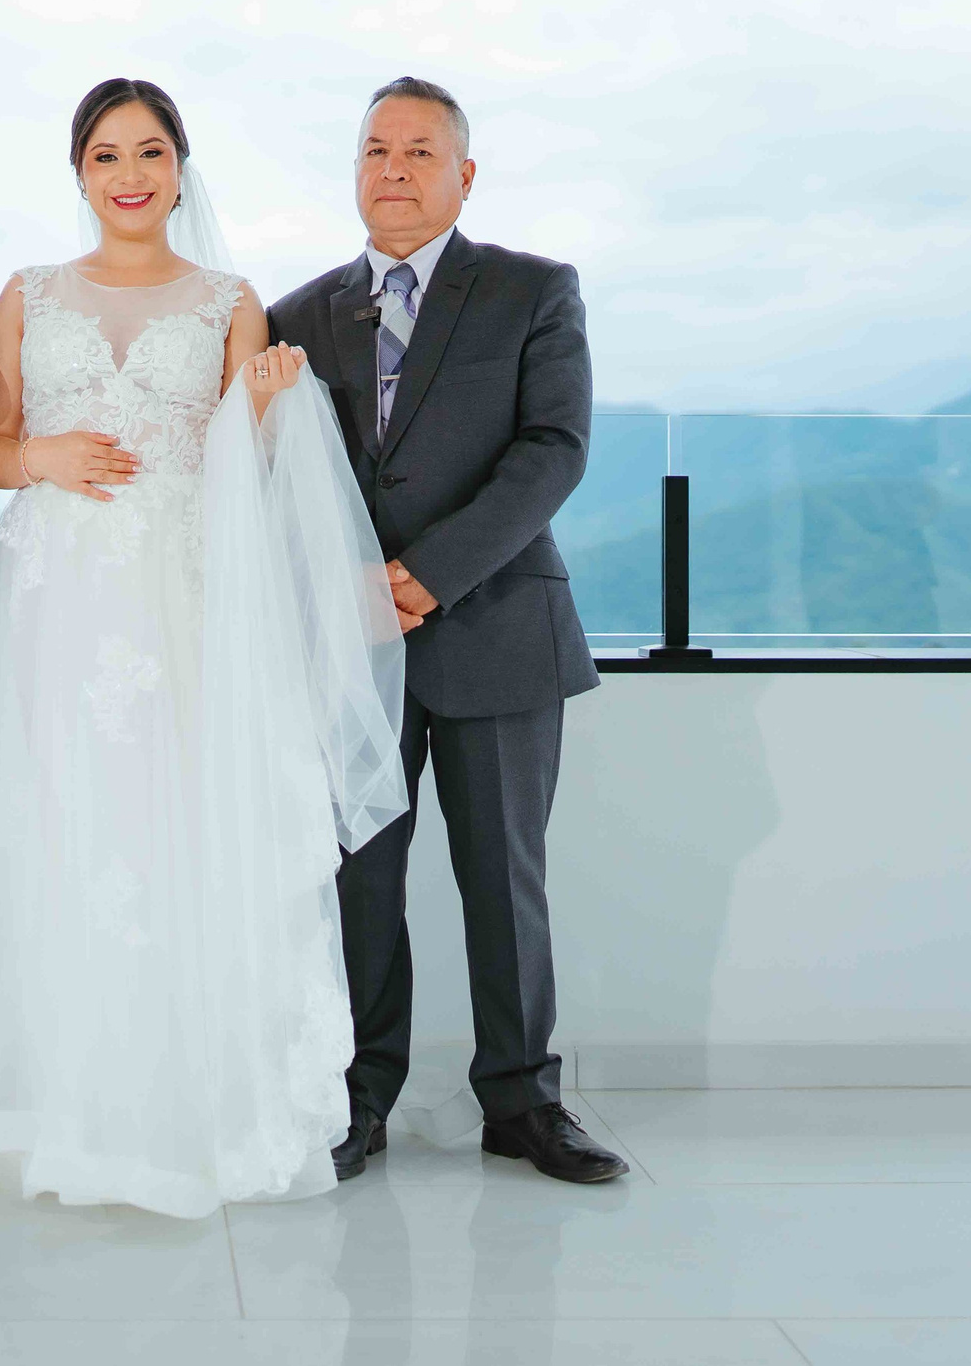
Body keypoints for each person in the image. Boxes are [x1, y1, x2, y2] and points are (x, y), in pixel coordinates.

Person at [0, 79, 409, 1217]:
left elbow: (248, 471)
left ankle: (179, 1101)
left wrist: (272, 400)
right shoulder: (28, 294)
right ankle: (45, 1102)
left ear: (181, 169)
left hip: (182, 590)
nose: (130, 174)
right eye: (106, 156)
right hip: (56, 594)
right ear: (79, 174)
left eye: (150, 152)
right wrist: (43, 459)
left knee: (173, 821)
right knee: (52, 818)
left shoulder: (230, 301)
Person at [268, 77, 629, 1185]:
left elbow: (554, 449)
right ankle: (355, 1097)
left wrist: (423, 577)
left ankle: (523, 1103)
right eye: (375, 149)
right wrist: (343, 590)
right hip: (348, 646)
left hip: (497, 626)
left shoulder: (532, 290)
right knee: (357, 881)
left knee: (503, 879)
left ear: (464, 176)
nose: (394, 168)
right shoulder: (295, 317)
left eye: (420, 151)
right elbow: (277, 477)